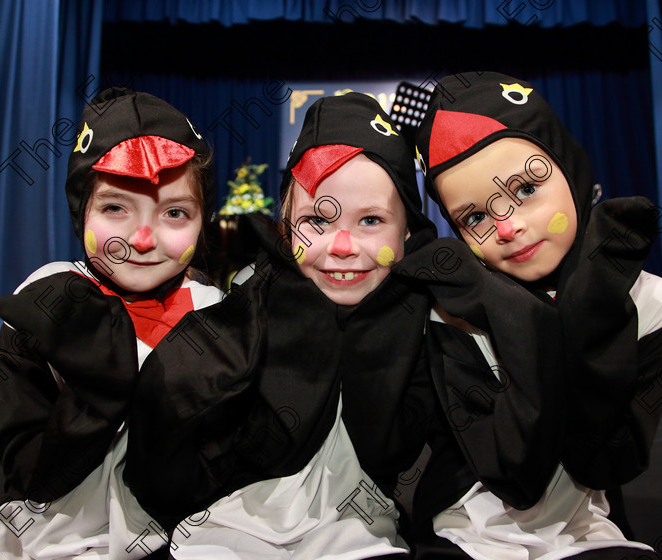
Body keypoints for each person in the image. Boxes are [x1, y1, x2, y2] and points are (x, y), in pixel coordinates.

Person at [124, 92, 438, 559]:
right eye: (316, 221)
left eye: (370, 220)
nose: (343, 245)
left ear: (407, 232)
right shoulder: (243, 317)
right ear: (287, 229)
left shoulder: (430, 324)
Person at [395, 71, 662, 559]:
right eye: (476, 218)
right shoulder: (451, 310)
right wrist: (516, 318)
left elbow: (607, 462)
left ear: (568, 166)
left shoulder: (648, 302)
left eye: (526, 189)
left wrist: (592, 311)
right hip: (464, 529)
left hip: (585, 529)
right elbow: (514, 475)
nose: (507, 227)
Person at [0, 88, 223, 560]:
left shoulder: (212, 309)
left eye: (174, 212)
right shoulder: (49, 300)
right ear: (82, 212)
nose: (141, 238)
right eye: (115, 207)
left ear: (202, 221)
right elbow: (25, 468)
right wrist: (95, 398)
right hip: (55, 536)